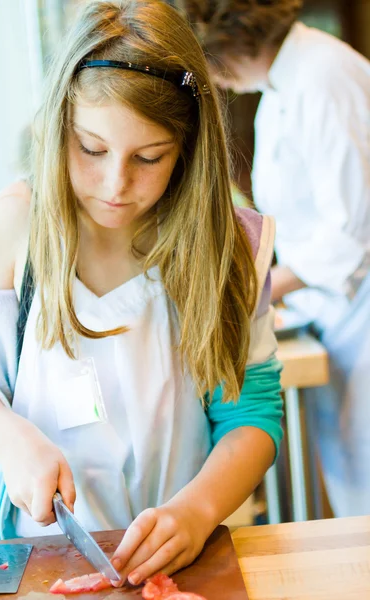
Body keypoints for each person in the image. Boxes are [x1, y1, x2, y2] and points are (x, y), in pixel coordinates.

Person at [0, 0, 283, 586]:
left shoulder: (226, 246)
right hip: (35, 556)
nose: (115, 184)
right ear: (59, 124)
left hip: (181, 555)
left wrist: (197, 511)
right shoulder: (16, 228)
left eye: (149, 158)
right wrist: (11, 439)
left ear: (188, 150)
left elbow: (253, 414)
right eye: (91, 149)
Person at [177, 0, 370, 517]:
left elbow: (351, 229)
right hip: (336, 313)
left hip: (360, 307)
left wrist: (255, 287)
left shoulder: (324, 75)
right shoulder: (281, 89)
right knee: (353, 478)